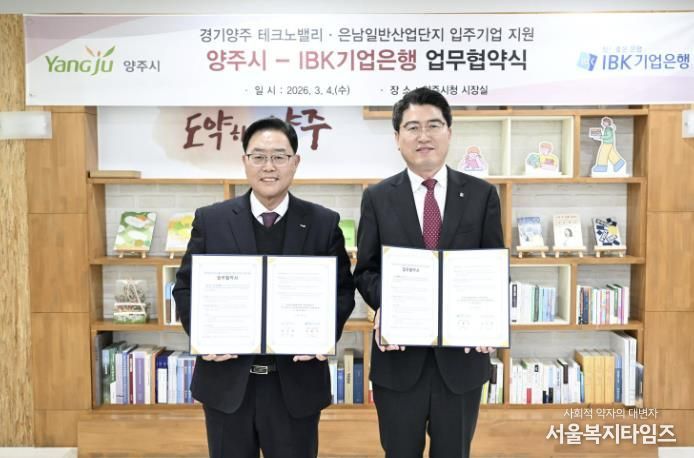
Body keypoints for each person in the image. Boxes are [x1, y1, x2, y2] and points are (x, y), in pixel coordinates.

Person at [173, 117, 355, 458]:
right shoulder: (211, 220)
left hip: (296, 386)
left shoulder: (323, 223)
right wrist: (204, 335)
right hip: (227, 385)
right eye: (258, 156)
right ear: (245, 161)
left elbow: (342, 291)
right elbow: (185, 288)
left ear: (295, 162)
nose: (268, 166)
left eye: (279, 157)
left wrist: (322, 334)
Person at [354, 87, 504, 458]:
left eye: (434, 125)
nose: (424, 136)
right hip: (399, 360)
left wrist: (488, 316)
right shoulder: (377, 197)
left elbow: (493, 269)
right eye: (413, 127)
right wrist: (389, 305)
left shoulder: (483, 195)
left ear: (449, 132)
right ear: (397, 138)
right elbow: (366, 271)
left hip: (461, 361)